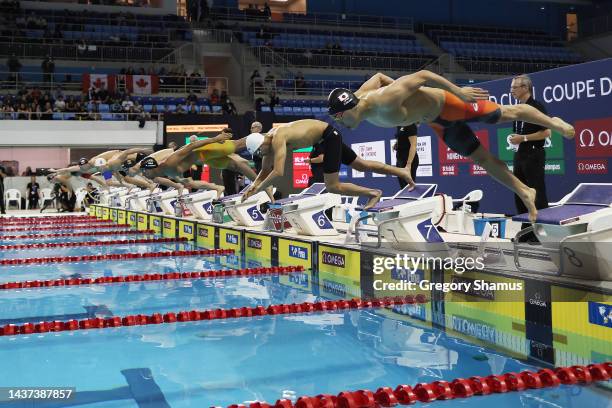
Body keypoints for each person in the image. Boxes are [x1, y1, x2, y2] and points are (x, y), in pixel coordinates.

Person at [327, 70, 575, 222]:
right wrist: (414, 98)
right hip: (437, 123)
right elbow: (379, 76)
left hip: (450, 104)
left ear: (347, 111)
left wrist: (459, 92)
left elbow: (423, 76)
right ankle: (524, 191)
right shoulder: (360, 96)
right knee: (482, 159)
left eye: (339, 119)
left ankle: (555, 124)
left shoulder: (387, 98)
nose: (341, 125)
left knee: (506, 114)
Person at [242, 119, 414, 209]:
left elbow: (278, 172)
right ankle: (401, 171)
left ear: (262, 143)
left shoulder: (278, 138)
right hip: (324, 138)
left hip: (328, 136)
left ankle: (373, 193)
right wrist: (251, 189)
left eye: (260, 151)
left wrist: (258, 188)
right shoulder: (266, 146)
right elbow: (264, 170)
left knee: (332, 186)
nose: (261, 155)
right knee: (362, 165)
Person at [509, 74, 550, 241]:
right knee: (520, 193)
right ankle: (526, 231)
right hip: (520, 154)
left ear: (525, 88)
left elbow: (547, 132)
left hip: (534, 154)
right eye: (511, 88)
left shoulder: (536, 107)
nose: (511, 91)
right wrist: (518, 138)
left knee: (536, 193)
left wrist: (524, 138)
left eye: (514, 87)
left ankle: (540, 233)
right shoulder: (518, 109)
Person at [393, 124, 419, 189]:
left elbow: (413, 145)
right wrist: (396, 144)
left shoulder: (411, 125)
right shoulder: (399, 125)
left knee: (409, 187)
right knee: (403, 187)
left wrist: (409, 164)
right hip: (400, 158)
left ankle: (412, 199)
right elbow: (402, 137)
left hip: (408, 159)